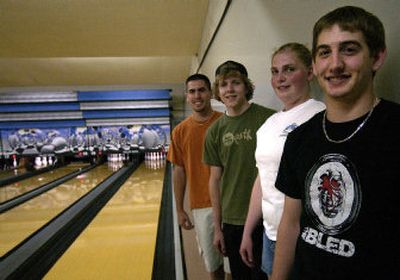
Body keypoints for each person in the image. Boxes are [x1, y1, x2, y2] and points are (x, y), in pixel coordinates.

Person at [270, 6, 400, 280]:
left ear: (377, 57)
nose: (335, 64)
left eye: (349, 50)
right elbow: (291, 224)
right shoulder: (299, 139)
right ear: (315, 65)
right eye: (325, 52)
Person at [239, 43, 325, 277]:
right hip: (270, 235)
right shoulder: (268, 125)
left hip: (304, 238)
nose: (280, 78)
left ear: (309, 73)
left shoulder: (320, 115)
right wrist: (248, 231)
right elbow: (263, 179)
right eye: (275, 71)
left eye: (289, 69)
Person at [203, 60, 275, 279]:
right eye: (224, 85)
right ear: (217, 91)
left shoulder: (269, 119)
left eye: (236, 83)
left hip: (267, 217)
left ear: (246, 87)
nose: (230, 89)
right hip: (232, 220)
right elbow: (215, 180)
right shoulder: (214, 132)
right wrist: (218, 227)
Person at [167, 74, 228, 280]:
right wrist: (179, 209)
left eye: (201, 90)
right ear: (186, 96)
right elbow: (179, 171)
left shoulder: (225, 122)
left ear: (210, 93)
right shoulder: (180, 132)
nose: (197, 95)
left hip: (230, 203)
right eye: (192, 91)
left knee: (233, 266)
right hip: (201, 206)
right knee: (214, 265)